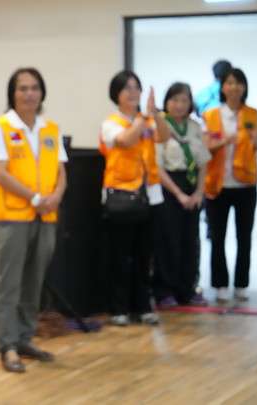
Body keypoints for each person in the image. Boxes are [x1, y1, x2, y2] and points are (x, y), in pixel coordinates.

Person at [0, 67, 67, 373]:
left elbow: (61, 171)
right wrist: (34, 198)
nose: (29, 93)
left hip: (45, 216)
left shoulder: (50, 129)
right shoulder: (0, 128)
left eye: (34, 88)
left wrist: (56, 196)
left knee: (33, 281)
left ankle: (24, 339)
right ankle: (7, 346)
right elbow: (0, 173)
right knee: (8, 284)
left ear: (42, 93)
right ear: (13, 93)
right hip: (11, 218)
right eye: (23, 88)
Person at [99, 70, 170, 327]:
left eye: (136, 87)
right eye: (126, 88)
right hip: (122, 197)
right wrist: (145, 117)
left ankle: (143, 307)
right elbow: (127, 140)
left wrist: (156, 114)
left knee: (144, 255)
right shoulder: (111, 123)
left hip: (150, 195)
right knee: (120, 255)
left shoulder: (146, 120)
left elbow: (164, 136)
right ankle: (119, 309)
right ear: (116, 94)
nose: (132, 92)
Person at [201, 67, 257, 304]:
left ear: (244, 87)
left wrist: (256, 141)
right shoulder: (211, 115)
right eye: (229, 83)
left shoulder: (253, 114)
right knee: (217, 237)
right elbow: (205, 146)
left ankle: (241, 284)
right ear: (222, 87)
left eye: (238, 83)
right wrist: (224, 142)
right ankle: (219, 284)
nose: (234, 87)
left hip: (246, 184)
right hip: (218, 184)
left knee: (244, 237)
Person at [152, 82, 211, 308]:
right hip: (169, 187)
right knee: (168, 240)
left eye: (184, 100)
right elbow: (157, 167)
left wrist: (198, 192)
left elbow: (203, 161)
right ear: (166, 102)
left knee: (191, 240)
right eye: (175, 100)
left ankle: (188, 288)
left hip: (192, 184)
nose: (179, 105)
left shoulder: (194, 127)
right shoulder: (160, 126)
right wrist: (178, 194)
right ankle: (165, 290)